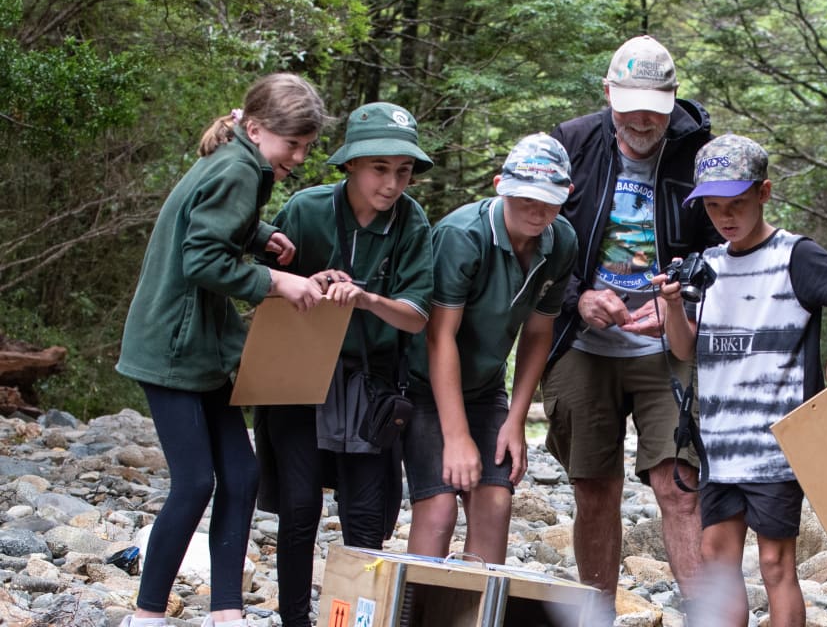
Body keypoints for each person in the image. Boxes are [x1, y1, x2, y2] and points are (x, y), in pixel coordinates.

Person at [115, 73, 328, 627]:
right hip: (172, 346)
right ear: (256, 128)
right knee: (195, 482)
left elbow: (204, 220)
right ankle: (146, 614)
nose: (300, 158)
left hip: (204, 347)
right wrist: (279, 282)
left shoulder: (242, 157)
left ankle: (226, 613)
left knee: (241, 474)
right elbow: (202, 261)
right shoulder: (239, 167)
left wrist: (258, 237)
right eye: (293, 145)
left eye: (307, 147)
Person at [658, 133, 827, 626]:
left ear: (763, 193)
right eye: (714, 207)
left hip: (777, 447)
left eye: (737, 204)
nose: (725, 217)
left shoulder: (795, 256)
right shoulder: (709, 266)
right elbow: (683, 348)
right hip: (719, 445)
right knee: (718, 560)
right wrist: (673, 304)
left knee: (774, 563)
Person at [542, 34, 722, 620]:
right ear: (607, 95)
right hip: (581, 343)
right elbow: (533, 241)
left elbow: (723, 251)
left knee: (679, 484)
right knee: (594, 488)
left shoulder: (701, 154)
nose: (643, 119)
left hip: (666, 343)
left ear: (673, 100)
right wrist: (578, 298)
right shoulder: (569, 145)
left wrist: (680, 302)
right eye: (630, 104)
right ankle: (597, 614)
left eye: (656, 107)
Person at [253, 102, 434, 627]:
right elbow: (260, 287)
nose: (392, 183)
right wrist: (309, 285)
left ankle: (353, 619)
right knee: (300, 507)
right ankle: (293, 620)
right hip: (297, 374)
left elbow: (417, 316)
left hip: (371, 383)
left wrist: (367, 299)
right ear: (350, 165)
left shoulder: (412, 222)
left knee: (365, 517)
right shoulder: (306, 210)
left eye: (403, 171)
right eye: (380, 168)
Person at [404, 133, 578, 565]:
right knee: (440, 508)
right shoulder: (462, 236)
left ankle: (477, 611)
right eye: (525, 201)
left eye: (550, 202)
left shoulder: (562, 242)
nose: (538, 213)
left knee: (496, 502)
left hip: (484, 387)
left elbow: (539, 333)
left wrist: (515, 420)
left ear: (567, 195)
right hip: (423, 384)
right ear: (501, 185)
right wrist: (457, 436)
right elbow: (438, 336)